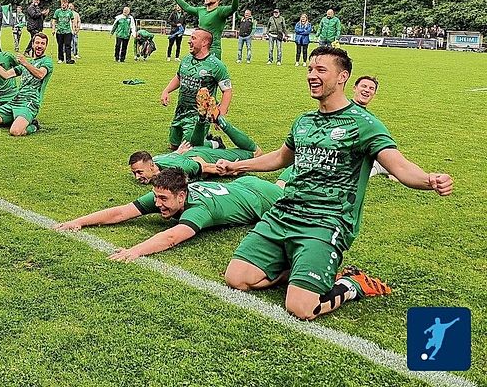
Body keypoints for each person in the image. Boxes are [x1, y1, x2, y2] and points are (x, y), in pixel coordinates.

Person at [217, 46, 453, 320]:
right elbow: (281, 158)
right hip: (284, 215)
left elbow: (399, 166)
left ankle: (353, 284)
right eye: (310, 69)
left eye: (321, 70)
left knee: (301, 308)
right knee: (237, 277)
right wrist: (237, 166)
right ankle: (298, 268)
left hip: (326, 222)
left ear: (342, 77)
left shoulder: (364, 124)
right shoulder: (304, 121)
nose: (312, 76)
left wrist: (428, 180)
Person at [55, 169, 283, 261]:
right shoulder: (165, 194)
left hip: (264, 197)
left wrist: (134, 251)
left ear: (182, 196)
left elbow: (172, 237)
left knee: (294, 187)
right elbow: (121, 212)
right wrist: (79, 221)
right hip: (242, 184)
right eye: (156, 197)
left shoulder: (200, 210)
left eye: (163, 200)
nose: (157, 203)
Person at [161, 29, 232, 150]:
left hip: (199, 116)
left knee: (189, 148)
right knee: (174, 146)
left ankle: (216, 144)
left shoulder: (216, 65)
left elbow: (227, 90)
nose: (189, 41)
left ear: (204, 43)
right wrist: (166, 91)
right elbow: (179, 77)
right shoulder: (186, 59)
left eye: (193, 38)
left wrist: (221, 114)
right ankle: (208, 140)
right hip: (181, 111)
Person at [0, 32, 53, 135]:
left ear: (46, 46)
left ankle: (34, 126)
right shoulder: (27, 64)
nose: (39, 46)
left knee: (15, 131)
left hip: (30, 103)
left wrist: (25, 63)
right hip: (16, 100)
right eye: (37, 43)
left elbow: (40, 74)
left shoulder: (47, 61)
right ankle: (17, 120)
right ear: (32, 44)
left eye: (42, 44)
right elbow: (6, 75)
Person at [163, 0, 241, 59]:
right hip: (199, 49)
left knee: (210, 72)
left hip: (213, 50)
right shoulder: (201, 10)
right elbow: (186, 7)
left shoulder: (220, 11)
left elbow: (234, 7)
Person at [53, 0, 75, 64]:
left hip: (67, 31)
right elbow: (54, 20)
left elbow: (73, 21)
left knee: (68, 45)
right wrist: (53, 29)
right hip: (59, 31)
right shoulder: (57, 11)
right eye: (62, 3)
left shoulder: (70, 12)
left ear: (67, 4)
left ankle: (68, 59)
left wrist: (73, 29)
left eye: (65, 3)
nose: (63, 4)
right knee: (60, 45)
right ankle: (60, 59)